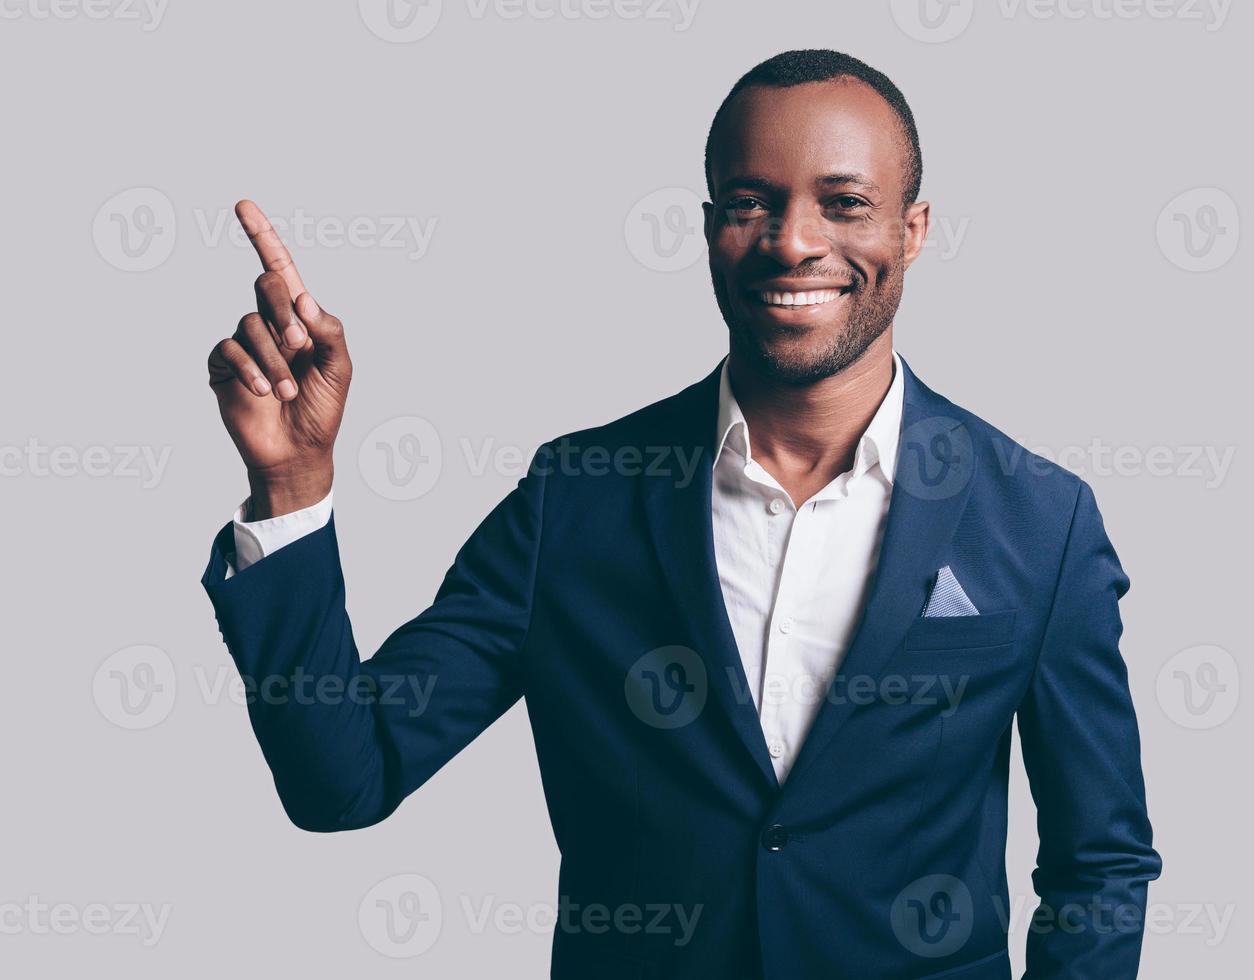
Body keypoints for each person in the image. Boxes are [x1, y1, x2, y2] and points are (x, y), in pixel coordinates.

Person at [202, 48, 1160, 980]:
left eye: (844, 203)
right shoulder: (574, 499)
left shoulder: (1041, 521)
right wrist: (291, 489)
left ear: (911, 230)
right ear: (708, 228)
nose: (793, 240)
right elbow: (345, 778)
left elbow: (1099, 864)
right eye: (752, 203)